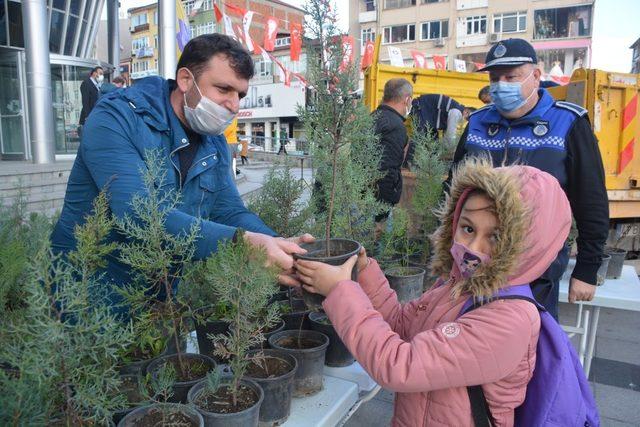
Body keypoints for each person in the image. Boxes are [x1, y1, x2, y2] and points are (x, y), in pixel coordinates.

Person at [295, 161, 572, 426]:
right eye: (468, 228)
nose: (473, 247)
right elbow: (400, 326)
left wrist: (340, 291)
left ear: (528, 248)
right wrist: (364, 272)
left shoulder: (509, 319)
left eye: (496, 237)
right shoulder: (456, 287)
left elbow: (400, 366)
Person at [51, 34, 310, 310]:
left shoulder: (214, 142)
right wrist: (243, 244)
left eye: (240, 95)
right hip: (89, 294)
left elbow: (228, 210)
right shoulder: (115, 118)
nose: (234, 105)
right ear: (186, 80)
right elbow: (139, 216)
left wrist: (278, 245)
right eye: (224, 89)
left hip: (157, 297)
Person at [446, 38, 609, 319]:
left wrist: (587, 268)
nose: (501, 85)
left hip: (536, 272)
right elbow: (452, 192)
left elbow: (591, 200)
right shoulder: (477, 123)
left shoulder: (568, 123)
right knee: (467, 344)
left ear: (535, 76)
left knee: (529, 348)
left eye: (511, 77)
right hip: (474, 264)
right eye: (495, 78)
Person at [371, 78, 413, 237]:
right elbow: (386, 170)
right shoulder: (395, 126)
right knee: (380, 250)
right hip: (378, 204)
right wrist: (382, 212)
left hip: (363, 198)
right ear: (407, 99)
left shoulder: (373, 117)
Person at [78, 66, 103, 136]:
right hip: (89, 118)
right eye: (100, 73)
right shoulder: (86, 83)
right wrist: (88, 117)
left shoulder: (98, 85)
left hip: (95, 117)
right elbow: (85, 102)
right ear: (94, 73)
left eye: (102, 74)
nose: (102, 76)